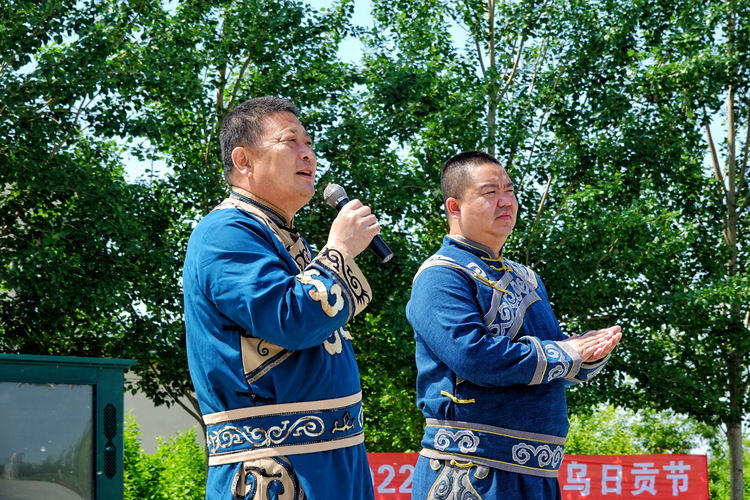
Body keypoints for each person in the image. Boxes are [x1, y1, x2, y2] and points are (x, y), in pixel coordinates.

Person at [183, 96, 379, 499]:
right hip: (272, 469)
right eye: (291, 141)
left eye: (308, 143)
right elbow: (291, 319)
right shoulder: (225, 232)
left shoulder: (283, 236)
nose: (307, 153)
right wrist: (339, 250)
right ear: (244, 161)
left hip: (337, 460)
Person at [406, 151, 622, 499]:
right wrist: (565, 352)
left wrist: (587, 353)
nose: (505, 200)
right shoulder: (441, 275)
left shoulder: (528, 278)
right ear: (454, 207)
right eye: (490, 192)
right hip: (470, 472)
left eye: (509, 189)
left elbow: (553, 358)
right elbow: (473, 356)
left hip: (539, 475)